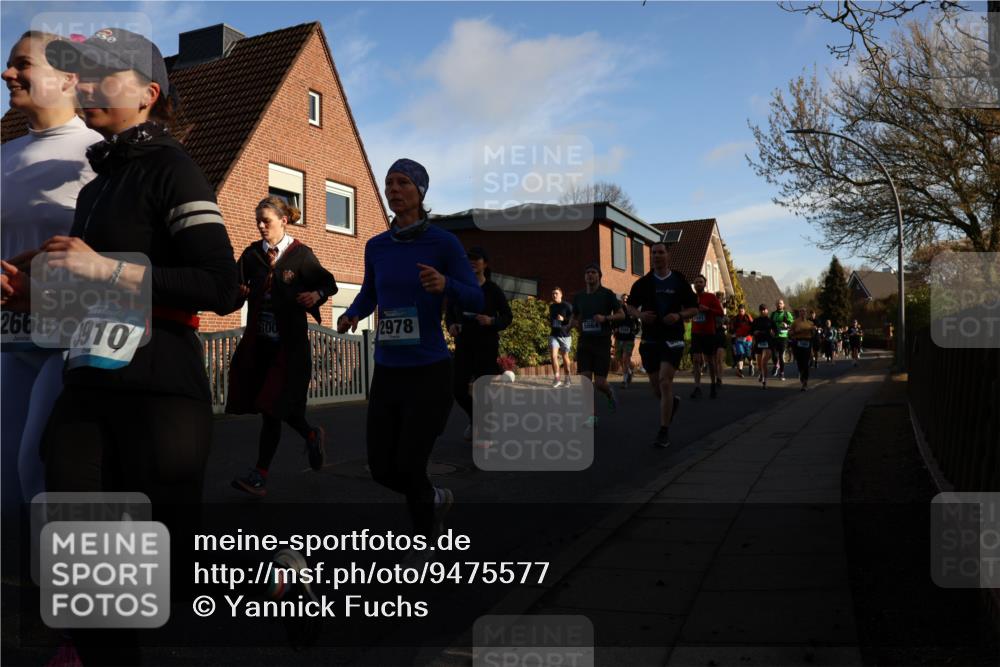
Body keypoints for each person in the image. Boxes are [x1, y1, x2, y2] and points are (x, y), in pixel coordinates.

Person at [38, 28, 240, 665]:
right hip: (86, 385)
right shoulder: (96, 186)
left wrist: (107, 269)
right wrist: (30, 295)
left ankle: (276, 577)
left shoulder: (173, 169)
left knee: (166, 571)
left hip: (158, 387)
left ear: (149, 93)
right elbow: (87, 292)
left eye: (105, 75)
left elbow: (221, 285)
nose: (86, 87)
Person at [337, 158, 482, 539]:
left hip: (429, 370)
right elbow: (370, 293)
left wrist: (446, 284)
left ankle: (425, 541)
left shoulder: (443, 243)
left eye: (402, 182)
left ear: (420, 191)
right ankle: (433, 497)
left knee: (410, 464)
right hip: (388, 370)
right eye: (389, 183)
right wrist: (352, 313)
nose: (394, 189)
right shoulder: (376, 246)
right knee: (382, 469)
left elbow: (477, 297)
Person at [0, 31, 103, 511]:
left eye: (22, 64)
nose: (7, 73)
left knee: (38, 472)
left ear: (68, 78)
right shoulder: (3, 155)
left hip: (72, 340)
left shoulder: (98, 155)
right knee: (6, 485)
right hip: (9, 338)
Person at [227, 196, 338, 497]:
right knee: (273, 407)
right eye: (258, 222)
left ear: (283, 220)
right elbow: (233, 291)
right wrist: (238, 293)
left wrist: (315, 295)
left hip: (289, 349)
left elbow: (329, 283)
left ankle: (259, 475)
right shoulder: (252, 255)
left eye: (266, 221)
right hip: (261, 346)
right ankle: (311, 434)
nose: (261, 226)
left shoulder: (300, 255)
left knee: (273, 409)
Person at [626, 241, 698, 448]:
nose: (656, 256)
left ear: (668, 255)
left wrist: (678, 315)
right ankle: (672, 403)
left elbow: (694, 308)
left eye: (660, 252)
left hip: (673, 338)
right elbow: (630, 306)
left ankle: (663, 431)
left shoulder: (679, 280)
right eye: (653, 253)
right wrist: (640, 315)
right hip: (650, 339)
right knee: (657, 388)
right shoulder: (643, 283)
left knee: (665, 381)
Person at [446, 246, 512, 441]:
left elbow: (507, 316)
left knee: (484, 391)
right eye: (468, 259)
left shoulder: (493, 290)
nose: (472, 262)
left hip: (486, 346)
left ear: (485, 264)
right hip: (464, 345)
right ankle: (476, 418)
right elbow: (449, 315)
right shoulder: (459, 288)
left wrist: (491, 321)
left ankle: (484, 431)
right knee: (458, 390)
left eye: (476, 259)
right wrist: (451, 326)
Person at [570, 263, 624, 425]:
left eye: (593, 272)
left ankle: (609, 392)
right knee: (585, 382)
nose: (590, 275)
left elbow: (621, 315)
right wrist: (571, 324)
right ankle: (591, 417)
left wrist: (605, 318)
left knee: (600, 383)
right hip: (584, 342)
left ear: (599, 276)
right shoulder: (579, 296)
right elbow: (574, 315)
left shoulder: (607, 294)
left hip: (602, 342)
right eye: (587, 272)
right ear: (584, 276)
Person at [689, 275, 724, 398]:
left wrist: (708, 309)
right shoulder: (691, 298)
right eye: (696, 282)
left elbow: (720, 313)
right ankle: (697, 387)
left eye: (700, 282)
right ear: (694, 285)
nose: (698, 284)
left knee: (710, 361)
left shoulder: (711, 297)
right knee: (696, 360)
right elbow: (686, 312)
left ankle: (713, 384)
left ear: (705, 284)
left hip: (709, 333)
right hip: (696, 333)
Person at [548, 286, 574, 388]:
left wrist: (564, 319)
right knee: (553, 356)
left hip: (565, 336)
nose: (554, 295)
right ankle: (557, 378)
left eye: (556, 293)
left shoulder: (567, 306)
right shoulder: (551, 307)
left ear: (561, 295)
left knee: (565, 357)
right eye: (553, 294)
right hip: (554, 334)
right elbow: (551, 319)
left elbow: (572, 320)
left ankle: (567, 378)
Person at [613, 293, 639, 388]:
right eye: (623, 299)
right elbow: (613, 321)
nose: (625, 300)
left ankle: (624, 381)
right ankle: (629, 372)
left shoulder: (632, 311)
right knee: (618, 358)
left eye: (626, 299)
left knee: (625, 358)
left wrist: (635, 332)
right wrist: (614, 329)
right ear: (621, 300)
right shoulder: (618, 310)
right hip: (619, 338)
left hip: (629, 339)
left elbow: (638, 323)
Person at [789, 307, 816, 391]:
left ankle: (805, 382)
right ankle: (801, 373)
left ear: (806, 313)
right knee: (799, 362)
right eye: (801, 311)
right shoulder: (795, 322)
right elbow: (789, 333)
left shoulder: (810, 323)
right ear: (799, 313)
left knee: (806, 362)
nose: (803, 313)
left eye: (804, 311)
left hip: (807, 342)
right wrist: (796, 331)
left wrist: (814, 330)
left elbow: (813, 334)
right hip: (798, 342)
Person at [751, 304, 778, 389]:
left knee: (764, 362)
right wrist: (754, 332)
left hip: (768, 343)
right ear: (759, 311)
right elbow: (751, 331)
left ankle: (764, 381)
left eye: (764, 309)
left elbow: (776, 331)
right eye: (761, 310)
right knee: (759, 364)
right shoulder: (756, 320)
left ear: (767, 310)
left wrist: (773, 333)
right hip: (758, 343)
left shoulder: (770, 321)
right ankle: (761, 373)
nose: (763, 311)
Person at [770, 298, 794, 380]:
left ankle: (782, 373)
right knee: (774, 355)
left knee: (781, 356)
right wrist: (770, 330)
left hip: (783, 337)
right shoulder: (773, 314)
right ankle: (776, 365)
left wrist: (787, 325)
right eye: (777, 303)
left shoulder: (787, 314)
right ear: (775, 305)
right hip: (775, 337)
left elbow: (792, 324)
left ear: (783, 305)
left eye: (780, 303)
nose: (779, 305)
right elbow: (770, 324)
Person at [729, 304, 754, 378]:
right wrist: (733, 333)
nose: (741, 312)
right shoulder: (735, 319)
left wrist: (751, 333)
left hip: (748, 339)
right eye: (739, 311)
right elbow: (731, 328)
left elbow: (753, 326)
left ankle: (751, 365)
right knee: (741, 354)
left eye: (742, 311)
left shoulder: (748, 317)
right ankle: (740, 370)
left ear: (744, 310)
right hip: (739, 339)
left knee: (748, 354)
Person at [713, 291, 728, 386]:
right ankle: (716, 377)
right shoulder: (712, 313)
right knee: (714, 360)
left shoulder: (724, 315)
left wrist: (726, 326)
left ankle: (719, 378)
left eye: (720, 299)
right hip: (713, 335)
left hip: (721, 336)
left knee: (719, 359)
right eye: (718, 299)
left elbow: (728, 324)